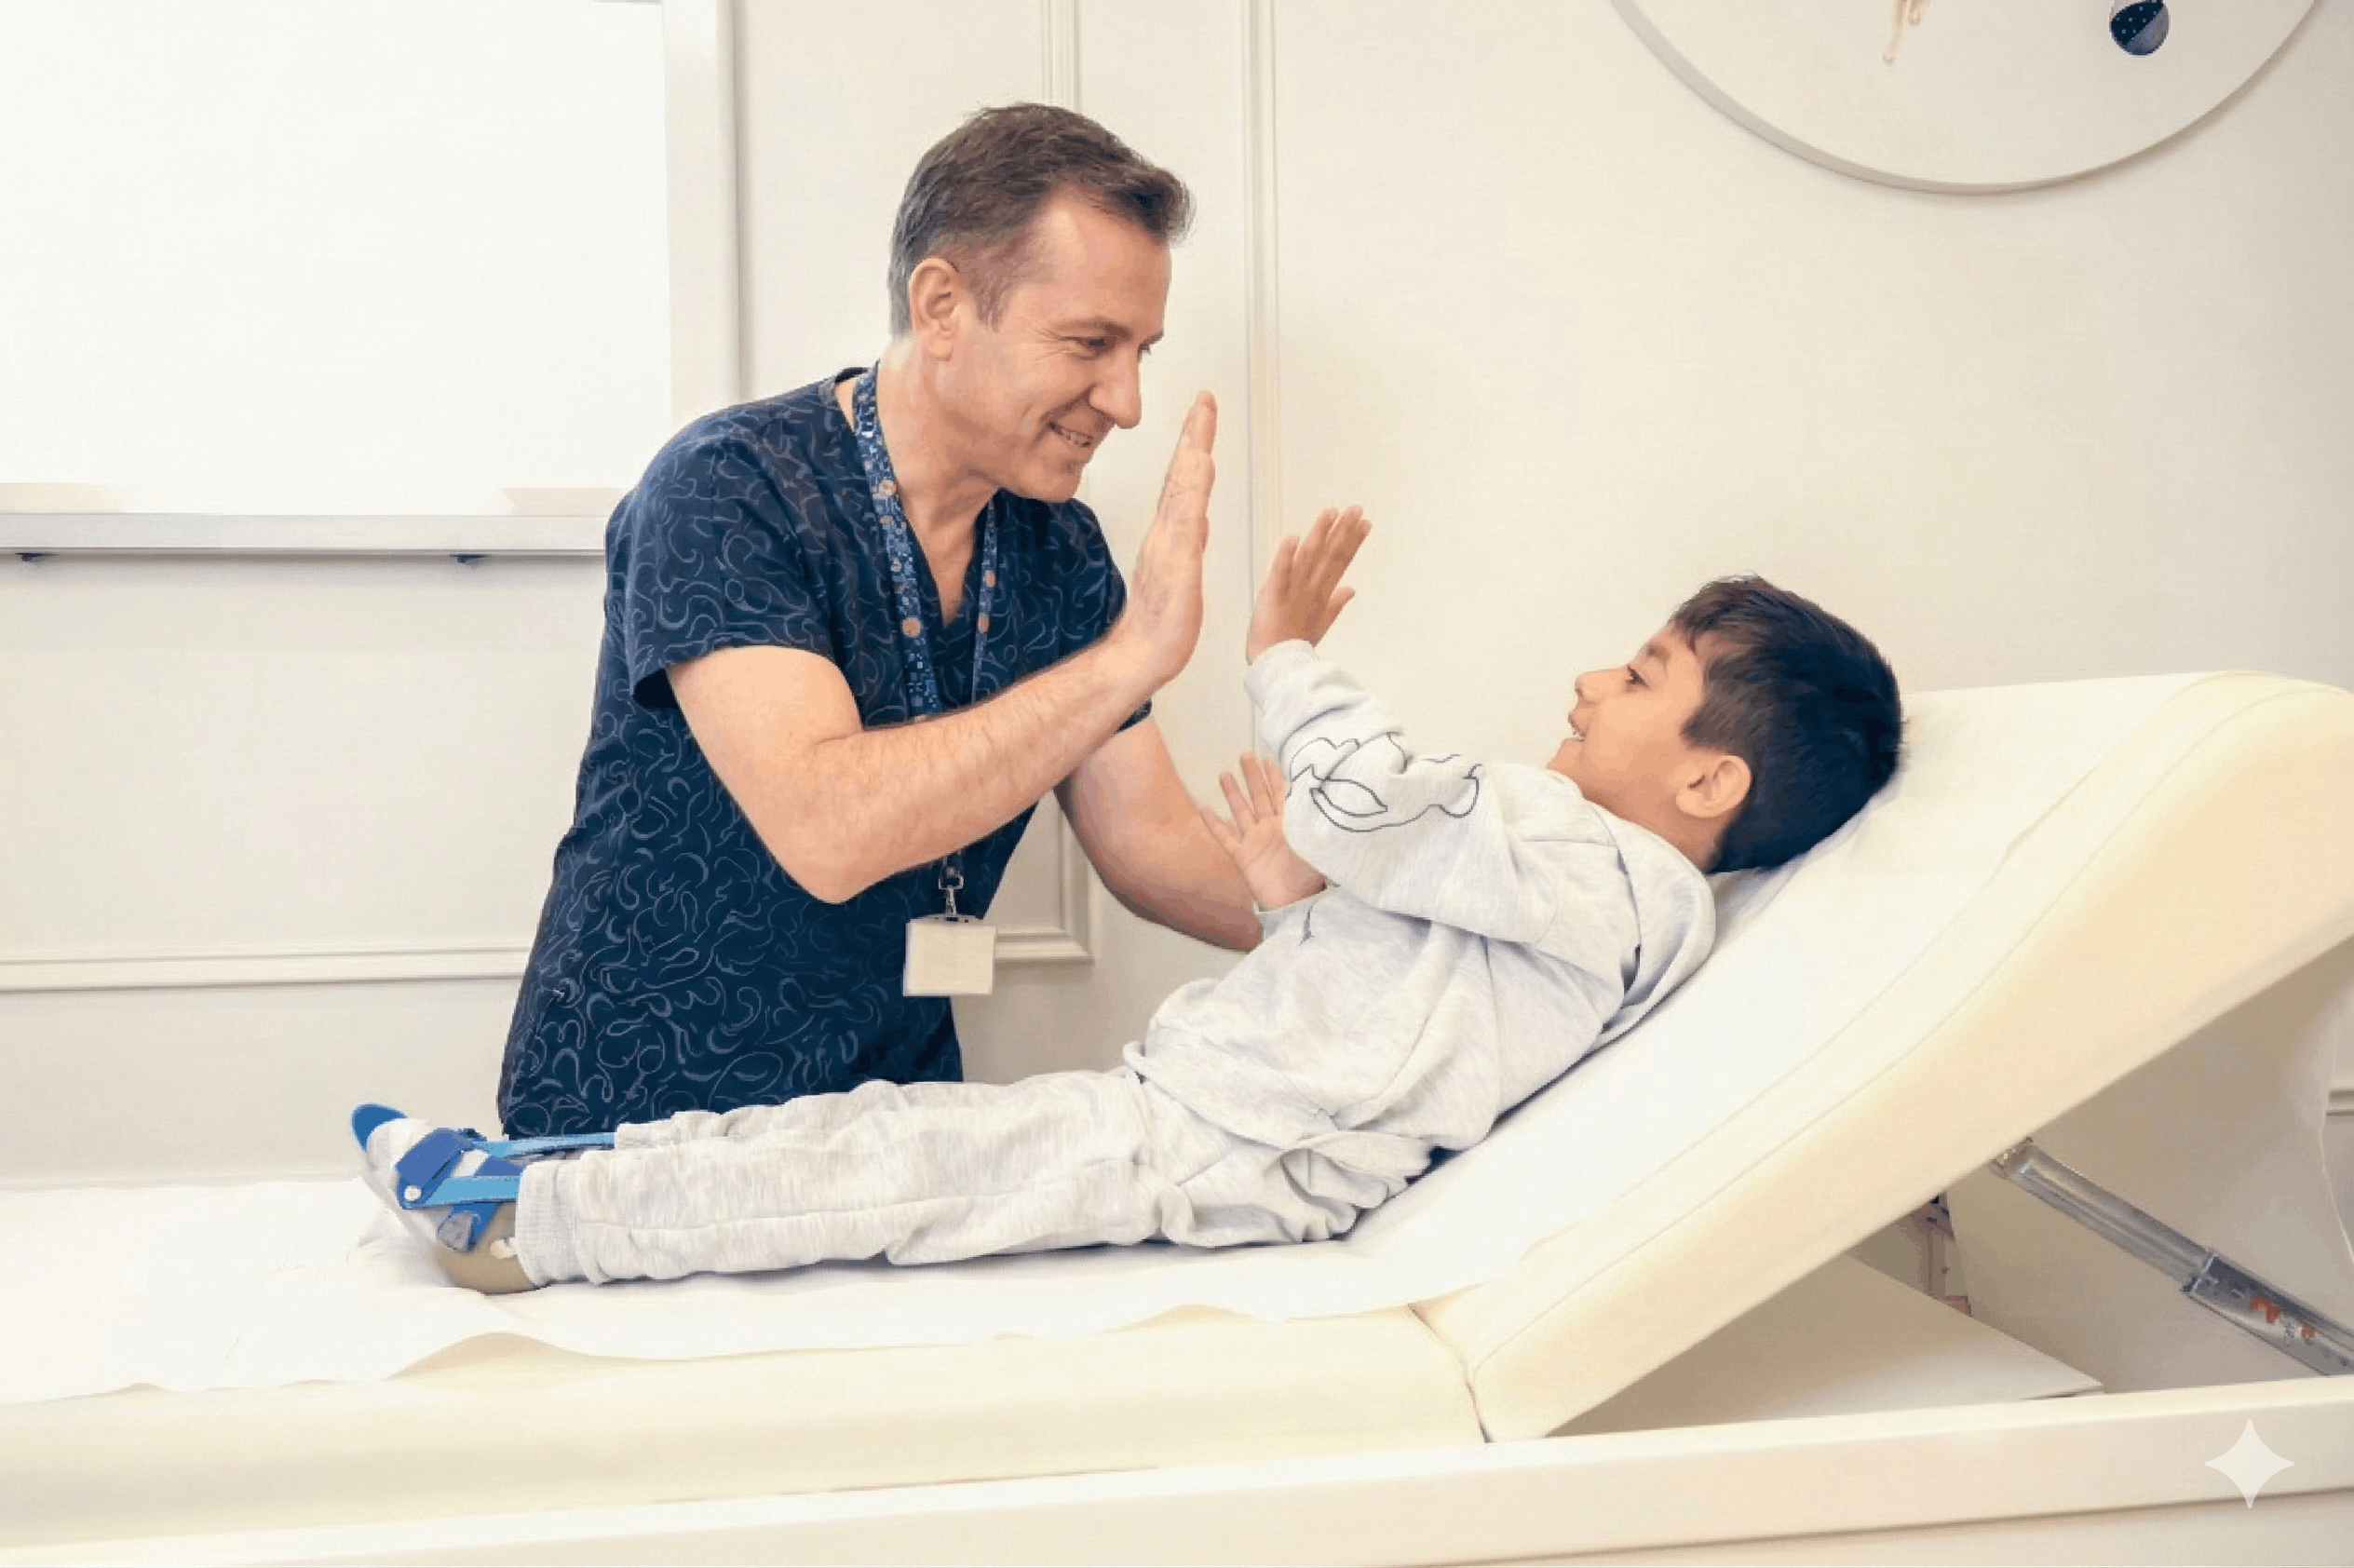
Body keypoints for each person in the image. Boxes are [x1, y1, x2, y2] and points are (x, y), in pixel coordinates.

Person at [359, 516, 1904, 1293]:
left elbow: (1382, 791)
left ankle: (530, 1219)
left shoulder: (1600, 861)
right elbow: (1412, 1014)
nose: (1586, 678)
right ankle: (542, 1176)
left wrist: (1283, 652)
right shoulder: (1598, 890)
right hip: (1221, 1121)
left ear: (1709, 785)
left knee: (885, 1169)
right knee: (879, 1148)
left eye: (1636, 675)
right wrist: (1297, 905)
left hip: (1229, 1147)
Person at [496, 104, 1265, 1138]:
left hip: (886, 1135)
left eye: (1141, 351)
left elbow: (1151, 847)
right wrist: (1129, 660)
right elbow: (829, 828)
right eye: (1090, 342)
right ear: (942, 305)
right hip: (632, 1132)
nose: (1124, 400)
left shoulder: (1060, 549)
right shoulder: (728, 488)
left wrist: (1442, 914)